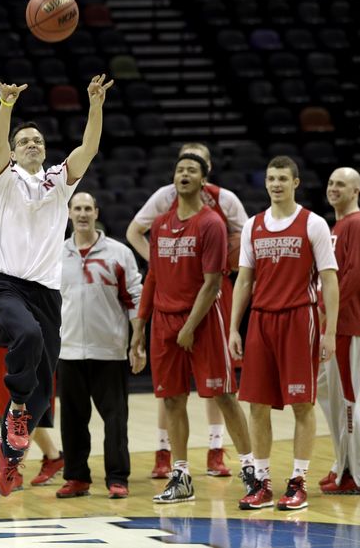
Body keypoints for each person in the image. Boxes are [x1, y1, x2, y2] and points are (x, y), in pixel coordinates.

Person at [0, 74, 113, 496]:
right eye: (26, 142)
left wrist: (95, 104)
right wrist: (6, 106)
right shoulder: (1, 179)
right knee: (26, 334)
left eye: (37, 140)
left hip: (45, 292)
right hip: (3, 285)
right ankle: (16, 408)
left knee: (44, 392)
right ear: (16, 151)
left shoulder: (59, 181)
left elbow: (89, 148)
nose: (32, 144)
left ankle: (10, 454)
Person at [129, 156, 253, 504]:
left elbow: (213, 283)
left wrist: (189, 326)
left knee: (224, 395)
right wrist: (140, 327)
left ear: (203, 180)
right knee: (172, 400)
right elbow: (152, 277)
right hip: (164, 323)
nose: (184, 174)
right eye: (180, 170)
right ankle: (181, 476)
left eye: (192, 171)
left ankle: (250, 470)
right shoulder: (160, 224)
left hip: (202, 321)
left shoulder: (212, 223)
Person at [229, 156, 339, 511]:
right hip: (261, 320)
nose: (275, 184)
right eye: (271, 178)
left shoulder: (314, 224)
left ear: (295, 183)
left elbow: (330, 280)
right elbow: (244, 280)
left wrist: (330, 332)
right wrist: (234, 327)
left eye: (282, 179)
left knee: (301, 404)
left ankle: (298, 481)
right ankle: (262, 482)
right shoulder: (253, 226)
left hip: (299, 320)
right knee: (257, 405)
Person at [56, 192, 142, 500]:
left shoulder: (119, 253)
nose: (82, 213)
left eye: (87, 208)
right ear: (68, 213)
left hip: (110, 349)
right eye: (77, 208)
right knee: (72, 420)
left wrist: (137, 340)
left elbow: (135, 297)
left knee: (116, 419)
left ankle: (118, 478)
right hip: (67, 350)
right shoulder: (55, 253)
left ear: (96, 212)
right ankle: (77, 477)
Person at [0, 243, 64, 486]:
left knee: (28, 408)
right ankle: (53, 456)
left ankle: (12, 467)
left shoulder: (36, 246)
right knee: (8, 412)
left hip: (35, 341)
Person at [316, 167, 360, 495]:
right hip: (337, 325)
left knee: (348, 399)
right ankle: (343, 462)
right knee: (327, 391)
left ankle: (357, 474)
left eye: (341, 184)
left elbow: (356, 275)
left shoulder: (357, 224)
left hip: (349, 325)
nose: (334, 188)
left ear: (355, 191)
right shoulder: (338, 225)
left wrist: (326, 309)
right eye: (331, 182)